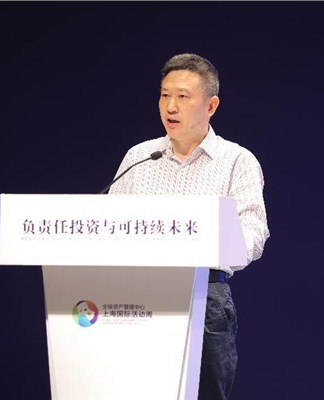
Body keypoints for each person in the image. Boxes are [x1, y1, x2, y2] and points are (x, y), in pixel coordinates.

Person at [108, 53, 270, 400]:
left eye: (183, 96)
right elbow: (111, 225)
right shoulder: (139, 157)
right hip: (138, 294)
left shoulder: (236, 160)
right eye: (165, 95)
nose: (171, 106)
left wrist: (213, 244)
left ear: (211, 105)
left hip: (204, 293)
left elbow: (254, 230)